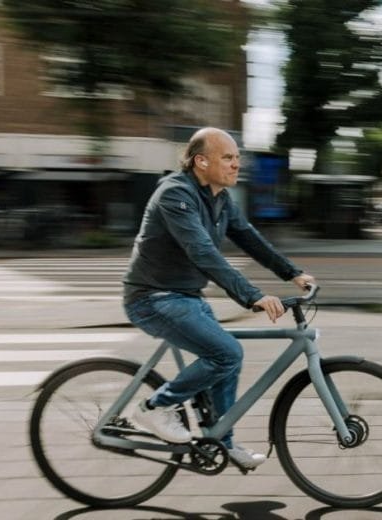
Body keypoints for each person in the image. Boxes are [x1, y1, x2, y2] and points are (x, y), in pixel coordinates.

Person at [123, 127, 315, 469]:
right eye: (227, 157)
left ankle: (221, 443)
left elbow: (250, 239)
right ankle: (154, 409)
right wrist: (252, 296)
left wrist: (292, 273)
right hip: (153, 298)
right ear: (200, 161)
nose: (236, 164)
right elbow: (203, 253)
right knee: (226, 353)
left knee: (226, 359)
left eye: (237, 158)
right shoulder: (174, 195)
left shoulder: (221, 201)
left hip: (186, 297)